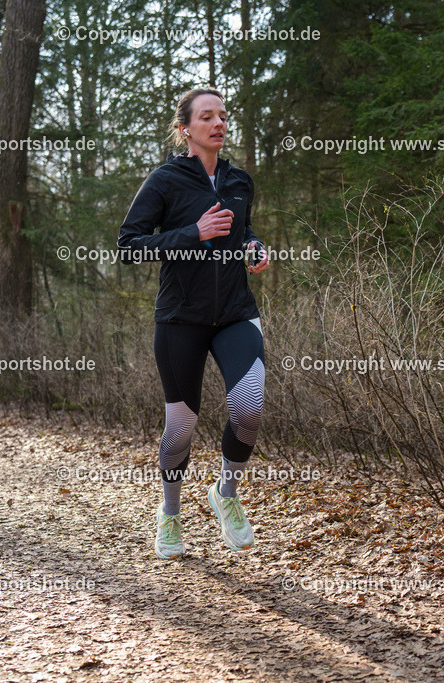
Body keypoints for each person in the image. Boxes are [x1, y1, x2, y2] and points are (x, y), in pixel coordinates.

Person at [117, 88, 270, 560]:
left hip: (236, 314)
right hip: (180, 319)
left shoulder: (240, 180)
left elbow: (242, 230)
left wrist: (253, 247)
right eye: (208, 117)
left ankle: (225, 493)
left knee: (250, 409)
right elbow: (129, 245)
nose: (219, 123)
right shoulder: (165, 180)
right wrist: (193, 235)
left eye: (223, 115)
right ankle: (169, 512)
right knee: (181, 426)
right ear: (186, 128)